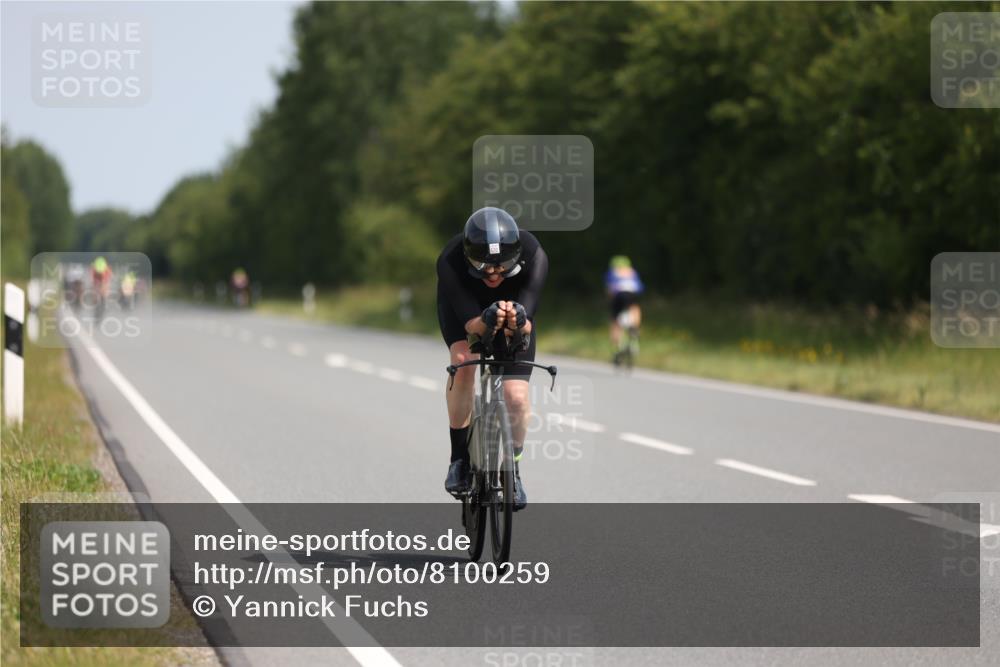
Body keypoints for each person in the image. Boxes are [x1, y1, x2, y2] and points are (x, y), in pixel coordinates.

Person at [436, 207, 548, 510]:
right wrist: (484, 319)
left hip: (516, 311)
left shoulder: (534, 254)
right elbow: (472, 328)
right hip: (467, 311)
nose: (494, 274)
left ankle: (513, 470)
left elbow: (525, 326)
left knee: (515, 395)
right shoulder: (450, 260)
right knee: (462, 362)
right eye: (485, 267)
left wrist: (517, 318)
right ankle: (459, 458)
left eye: (501, 267)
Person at [605, 255, 644, 359]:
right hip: (631, 295)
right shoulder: (632, 272)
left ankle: (617, 346)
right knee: (635, 308)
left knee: (615, 321)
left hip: (618, 296)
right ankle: (634, 328)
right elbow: (640, 288)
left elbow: (610, 290)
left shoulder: (612, 272)